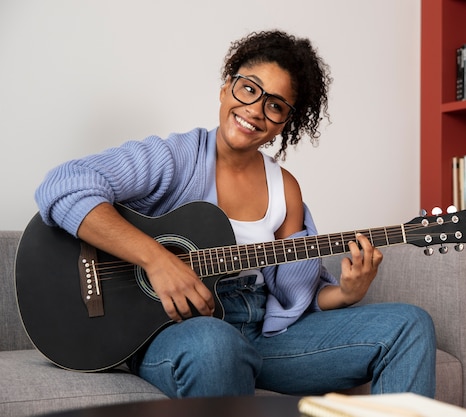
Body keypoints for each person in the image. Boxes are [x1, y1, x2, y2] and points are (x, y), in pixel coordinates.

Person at [35, 30, 436, 398]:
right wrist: (156, 260)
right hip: (177, 333)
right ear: (227, 88)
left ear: (284, 123)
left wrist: (348, 293)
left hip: (263, 334)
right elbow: (62, 185)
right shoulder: (175, 158)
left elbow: (294, 297)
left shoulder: (286, 189)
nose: (256, 110)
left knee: (409, 325)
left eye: (275, 105)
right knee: (216, 345)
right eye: (249, 89)